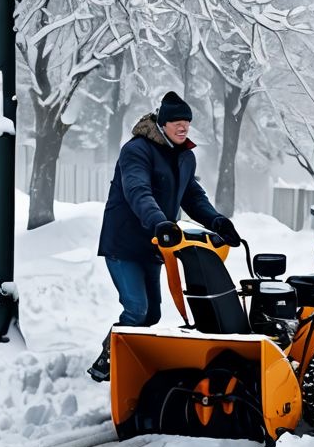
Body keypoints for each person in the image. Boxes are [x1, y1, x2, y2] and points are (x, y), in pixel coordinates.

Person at [88, 91, 240, 381]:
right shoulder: (137, 150)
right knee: (136, 309)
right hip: (124, 243)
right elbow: (137, 191)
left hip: (157, 243)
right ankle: (107, 363)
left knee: (153, 314)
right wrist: (159, 221)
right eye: (177, 122)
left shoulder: (185, 157)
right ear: (162, 123)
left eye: (187, 122)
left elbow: (193, 197)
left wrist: (217, 221)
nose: (183, 127)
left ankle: (130, 365)